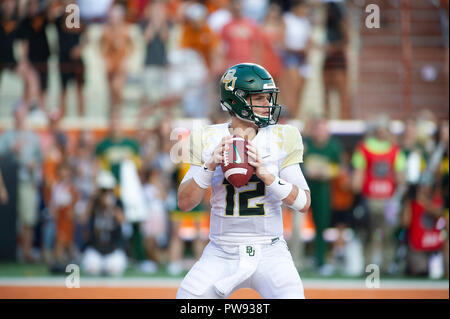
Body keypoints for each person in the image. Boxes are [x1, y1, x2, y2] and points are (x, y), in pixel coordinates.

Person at [176, 63, 311, 299]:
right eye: (259, 98)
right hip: (221, 251)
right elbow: (185, 203)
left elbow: (302, 203)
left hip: (271, 251)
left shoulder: (284, 136)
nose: (268, 104)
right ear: (236, 100)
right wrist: (209, 167)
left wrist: (268, 176)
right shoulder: (206, 137)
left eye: (269, 97)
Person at [351, 115, 406, 274]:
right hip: (372, 198)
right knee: (373, 234)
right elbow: (359, 175)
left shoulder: (393, 149)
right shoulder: (367, 148)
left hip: (386, 199)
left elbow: (400, 175)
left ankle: (380, 266)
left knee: (384, 234)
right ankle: (375, 266)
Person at [0, 104, 42, 262]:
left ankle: (27, 252)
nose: (19, 117)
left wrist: (34, 164)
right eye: (16, 114)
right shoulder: (7, 135)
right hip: (10, 180)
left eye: (22, 114)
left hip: (26, 180)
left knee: (28, 217)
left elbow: (39, 159)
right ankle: (9, 251)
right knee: (9, 217)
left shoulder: (32, 136)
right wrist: (11, 149)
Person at [302, 117, 342, 275]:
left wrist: (328, 172)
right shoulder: (306, 143)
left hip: (323, 189)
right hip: (303, 187)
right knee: (295, 225)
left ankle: (320, 260)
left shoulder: (333, 146)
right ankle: (294, 259)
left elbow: (339, 167)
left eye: (323, 128)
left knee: (321, 226)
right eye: (317, 128)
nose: (320, 132)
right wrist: (307, 171)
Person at [80, 170, 127, 276]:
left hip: (113, 250)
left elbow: (122, 220)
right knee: (92, 268)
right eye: (103, 191)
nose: (106, 194)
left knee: (114, 268)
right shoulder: (94, 203)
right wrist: (93, 201)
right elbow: (83, 219)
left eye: (108, 190)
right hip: (96, 249)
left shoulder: (117, 202)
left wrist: (111, 207)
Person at [50, 0, 87, 118]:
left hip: (77, 60)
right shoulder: (59, 18)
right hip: (63, 58)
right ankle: (62, 117)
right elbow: (49, 17)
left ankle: (81, 118)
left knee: (80, 89)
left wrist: (79, 48)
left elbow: (87, 37)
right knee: (63, 90)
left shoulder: (80, 17)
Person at [99, 3, 133, 114]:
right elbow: (101, 46)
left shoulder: (125, 30)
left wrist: (126, 59)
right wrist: (105, 58)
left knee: (117, 87)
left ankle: (117, 110)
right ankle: (113, 112)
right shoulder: (106, 31)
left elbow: (131, 47)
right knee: (111, 90)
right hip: (111, 63)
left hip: (120, 63)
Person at [281, 0, 312, 118]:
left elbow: (308, 40)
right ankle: (291, 115)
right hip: (291, 57)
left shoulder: (305, 21)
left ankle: (297, 114)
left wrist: (308, 49)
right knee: (292, 88)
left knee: (300, 89)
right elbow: (282, 42)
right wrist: (297, 50)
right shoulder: (287, 19)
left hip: (303, 58)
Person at [322, 0, 349, 119]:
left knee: (341, 92)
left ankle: (343, 117)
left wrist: (332, 48)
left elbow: (347, 42)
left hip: (338, 61)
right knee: (326, 91)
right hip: (328, 61)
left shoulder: (341, 23)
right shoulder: (326, 25)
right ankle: (327, 116)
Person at [49, 161, 78, 268]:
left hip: (67, 217)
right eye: (62, 170)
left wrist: (72, 210)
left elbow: (74, 201)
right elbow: (53, 201)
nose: (64, 173)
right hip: (59, 216)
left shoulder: (71, 187)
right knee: (59, 239)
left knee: (68, 240)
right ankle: (58, 259)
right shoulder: (56, 185)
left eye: (66, 170)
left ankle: (69, 258)